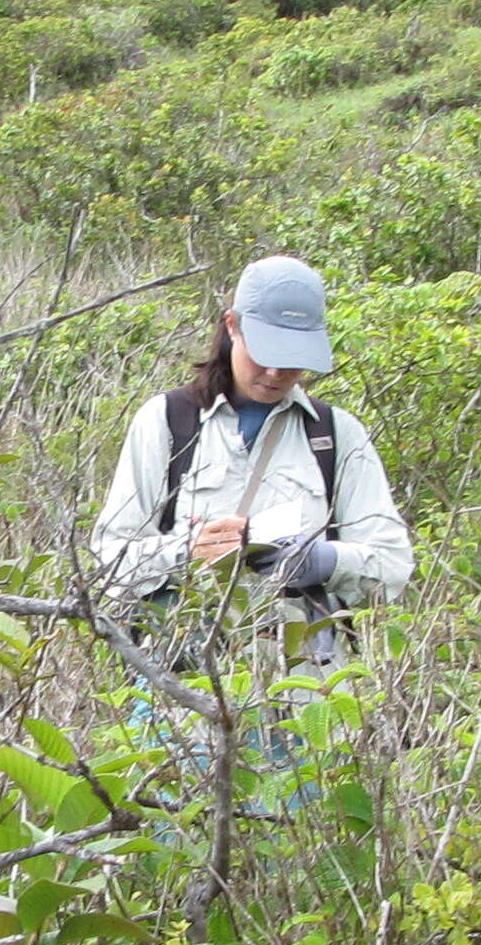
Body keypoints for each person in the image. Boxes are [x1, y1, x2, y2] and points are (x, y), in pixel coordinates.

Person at [88, 253, 413, 661]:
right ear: (232, 326)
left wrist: (324, 561)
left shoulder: (335, 434)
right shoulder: (167, 421)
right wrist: (188, 552)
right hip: (187, 681)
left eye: (293, 357)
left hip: (308, 688)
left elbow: (393, 566)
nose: (277, 372)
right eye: (266, 352)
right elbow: (111, 559)